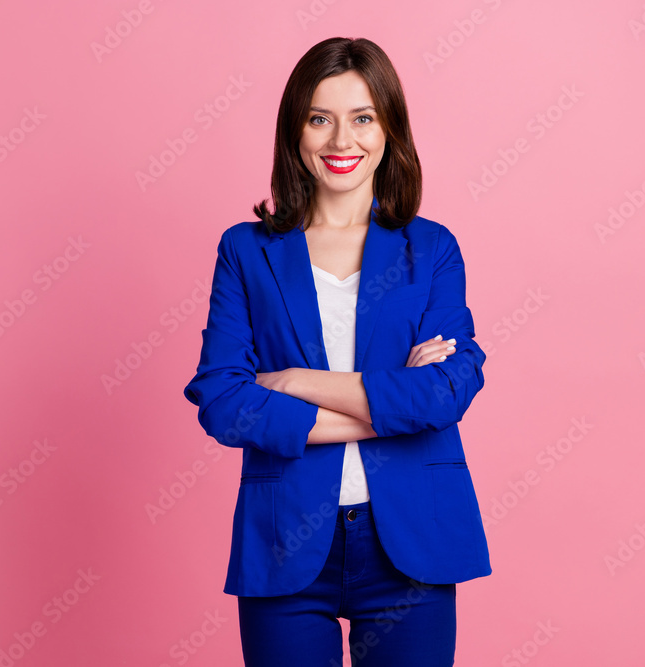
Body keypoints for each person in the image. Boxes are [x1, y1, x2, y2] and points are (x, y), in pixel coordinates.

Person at [182, 36, 491, 666]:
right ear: (295, 130)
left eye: (362, 118)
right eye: (320, 118)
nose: (340, 141)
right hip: (286, 543)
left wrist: (294, 380)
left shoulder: (432, 249)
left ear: (389, 130)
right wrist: (389, 406)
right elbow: (221, 399)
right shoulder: (247, 251)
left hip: (413, 539)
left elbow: (447, 390)